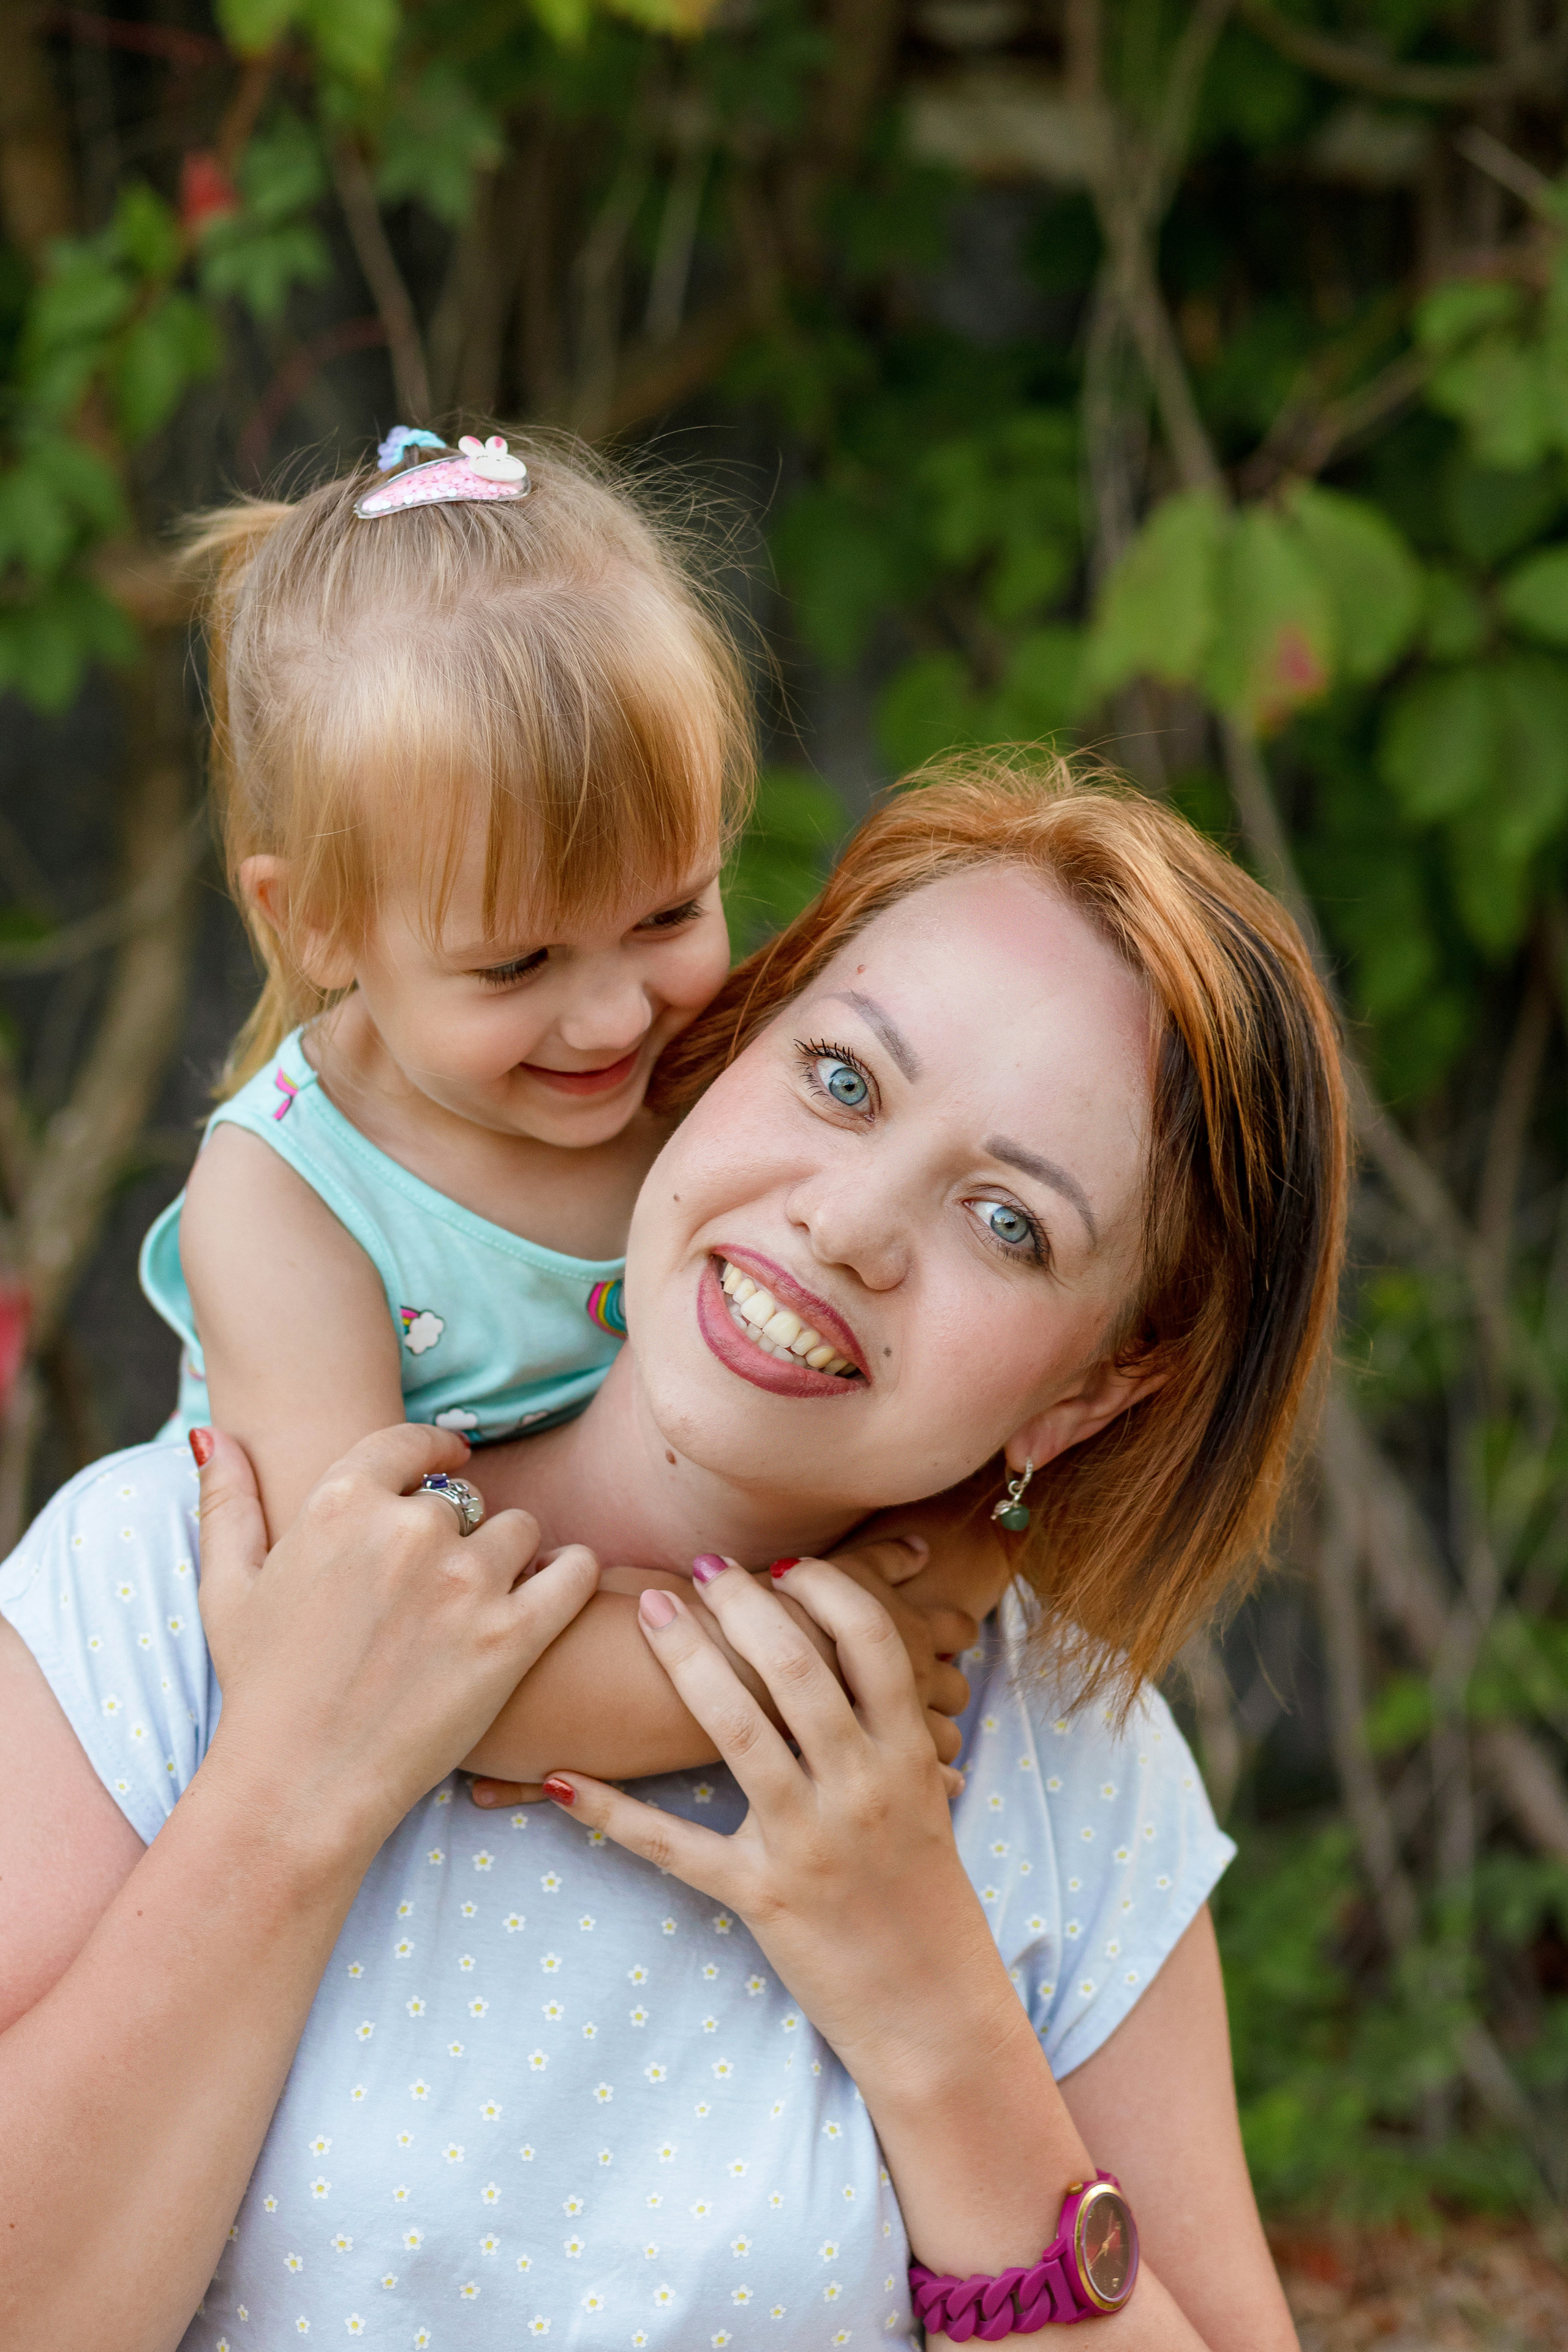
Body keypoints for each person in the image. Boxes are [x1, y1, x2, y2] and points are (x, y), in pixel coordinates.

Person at [0, 761, 1345, 2351]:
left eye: (1008, 1224)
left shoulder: (1061, 1762)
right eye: (844, 1081)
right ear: (720, 1051)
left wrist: (931, 2013)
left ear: (1094, 1390)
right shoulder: (181, 1568)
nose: (850, 1224)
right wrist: (292, 1791)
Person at [136, 430, 993, 1781]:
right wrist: (829, 1659)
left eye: (669, 911)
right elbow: (377, 1658)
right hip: (344, 1765)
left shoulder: (730, 1078)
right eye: (516, 963)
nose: (612, 1019)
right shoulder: (287, 1203)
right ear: (313, 920)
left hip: (656, 1663)